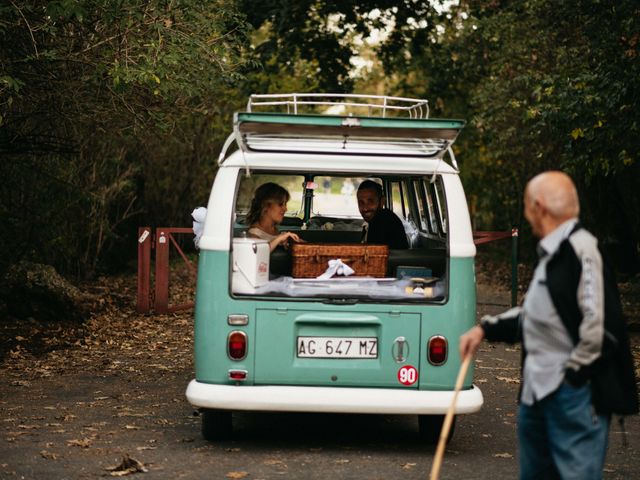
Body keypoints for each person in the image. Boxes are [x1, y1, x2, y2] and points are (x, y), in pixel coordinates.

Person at [459, 171, 638, 480]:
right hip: (536, 397)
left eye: (527, 206)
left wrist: (570, 381)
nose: (527, 215)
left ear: (538, 207)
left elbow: (599, 325)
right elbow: (534, 314)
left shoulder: (583, 249)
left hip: (571, 398)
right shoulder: (552, 252)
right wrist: (484, 329)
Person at [246, 182, 302, 252]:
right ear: (265, 206)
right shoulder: (254, 233)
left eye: (285, 204)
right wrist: (279, 239)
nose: (285, 209)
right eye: (280, 204)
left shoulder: (276, 231)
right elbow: (257, 254)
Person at [356, 180, 408, 249]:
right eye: (361, 203)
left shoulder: (385, 222)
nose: (365, 208)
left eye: (370, 201)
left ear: (382, 201)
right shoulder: (374, 221)